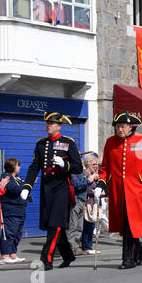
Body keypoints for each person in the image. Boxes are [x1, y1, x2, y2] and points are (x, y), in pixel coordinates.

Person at [94, 111, 142, 270]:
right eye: (117, 127)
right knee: (124, 226)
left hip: (137, 190)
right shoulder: (111, 142)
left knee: (131, 225)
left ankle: (128, 259)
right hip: (118, 190)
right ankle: (139, 251)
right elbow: (105, 167)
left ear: (131, 126)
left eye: (122, 126)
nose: (119, 130)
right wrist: (100, 185)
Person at [20, 112, 83, 271]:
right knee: (53, 224)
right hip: (46, 187)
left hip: (61, 186)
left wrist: (65, 165)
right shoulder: (41, 143)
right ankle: (68, 255)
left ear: (59, 126)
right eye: (47, 123)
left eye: (52, 123)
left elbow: (78, 167)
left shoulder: (68, 143)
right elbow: (35, 167)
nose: (49, 125)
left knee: (55, 223)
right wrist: (27, 186)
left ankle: (46, 259)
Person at [0, 158, 29, 264]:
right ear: (12, 167)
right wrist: (26, 185)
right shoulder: (6, 177)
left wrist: (27, 185)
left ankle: (13, 254)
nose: (19, 167)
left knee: (17, 233)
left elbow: (23, 188)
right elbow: (14, 190)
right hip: (10, 210)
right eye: (18, 165)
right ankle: (5, 255)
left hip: (20, 210)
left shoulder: (17, 178)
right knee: (9, 233)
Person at [69, 156, 99, 255]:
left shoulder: (80, 172)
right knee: (73, 226)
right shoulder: (75, 173)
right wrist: (89, 180)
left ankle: (76, 248)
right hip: (76, 200)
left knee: (79, 227)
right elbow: (78, 185)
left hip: (82, 200)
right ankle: (71, 248)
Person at [81, 154, 101, 254]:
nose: (96, 166)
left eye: (97, 164)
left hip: (93, 203)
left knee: (91, 225)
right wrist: (95, 192)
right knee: (88, 225)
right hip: (87, 202)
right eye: (94, 164)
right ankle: (86, 247)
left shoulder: (94, 174)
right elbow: (86, 188)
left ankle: (89, 246)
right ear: (88, 164)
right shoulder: (85, 174)